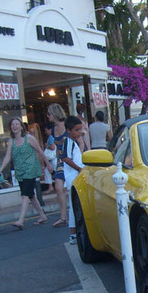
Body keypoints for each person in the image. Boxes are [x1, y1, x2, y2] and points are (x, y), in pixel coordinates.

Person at [0, 117, 53, 230]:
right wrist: (1, 169)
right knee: (31, 195)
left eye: (17, 124)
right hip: (20, 171)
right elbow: (8, 157)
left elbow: (40, 151)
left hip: (31, 169)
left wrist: (48, 165)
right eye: (13, 125)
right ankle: (42, 216)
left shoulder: (29, 138)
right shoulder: (11, 142)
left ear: (21, 126)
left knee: (25, 195)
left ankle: (21, 220)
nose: (15, 126)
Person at [62, 116, 86, 245]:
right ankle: (73, 234)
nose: (79, 132)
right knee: (73, 206)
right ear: (69, 130)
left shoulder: (74, 142)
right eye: (77, 130)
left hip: (75, 177)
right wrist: (79, 169)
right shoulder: (68, 142)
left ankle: (75, 232)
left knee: (75, 205)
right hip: (72, 178)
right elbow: (65, 158)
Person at [46, 103, 69, 228]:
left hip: (71, 159)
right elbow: (55, 147)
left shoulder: (67, 125)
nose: (47, 116)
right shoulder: (53, 130)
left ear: (55, 114)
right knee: (58, 187)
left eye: (49, 114)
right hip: (61, 161)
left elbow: (80, 140)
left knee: (71, 188)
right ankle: (63, 216)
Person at [42, 122, 56, 194]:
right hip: (54, 158)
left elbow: (52, 147)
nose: (45, 132)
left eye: (46, 130)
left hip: (53, 159)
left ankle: (51, 186)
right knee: (49, 171)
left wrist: (47, 145)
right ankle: (52, 186)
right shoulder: (56, 136)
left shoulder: (51, 137)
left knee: (49, 171)